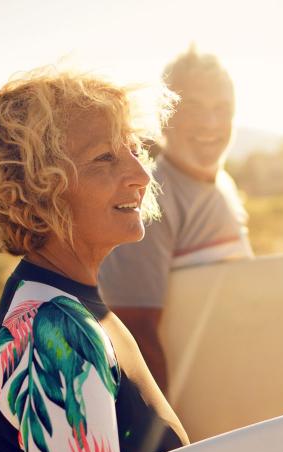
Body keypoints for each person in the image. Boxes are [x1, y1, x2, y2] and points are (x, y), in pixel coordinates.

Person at [0, 66, 189, 452]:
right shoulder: (57, 331)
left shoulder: (67, 304)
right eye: (105, 158)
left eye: (133, 147)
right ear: (38, 189)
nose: (140, 172)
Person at [99, 47, 253, 394]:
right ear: (163, 115)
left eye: (222, 109)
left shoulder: (223, 185)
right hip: (196, 418)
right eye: (193, 107)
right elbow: (134, 333)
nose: (210, 123)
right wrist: (171, 442)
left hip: (238, 396)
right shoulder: (149, 201)